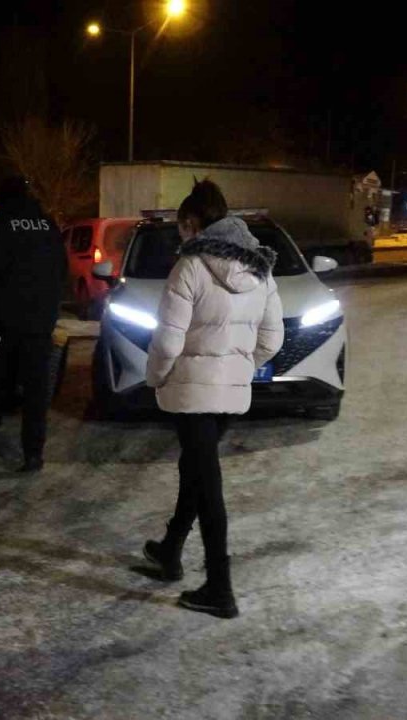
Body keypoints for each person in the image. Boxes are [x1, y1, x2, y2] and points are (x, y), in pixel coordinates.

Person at [141, 180, 284, 618]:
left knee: (208, 484)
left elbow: (167, 343)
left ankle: (220, 588)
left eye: (182, 229)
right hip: (228, 397)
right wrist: (240, 369)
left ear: (192, 224)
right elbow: (273, 339)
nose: (181, 237)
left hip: (189, 391)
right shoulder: (261, 268)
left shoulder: (190, 267)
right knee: (196, 468)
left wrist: (157, 379)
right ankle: (170, 550)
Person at [0, 176, 66, 473]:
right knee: (35, 392)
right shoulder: (48, 226)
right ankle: (33, 454)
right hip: (39, 326)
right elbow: (61, 273)